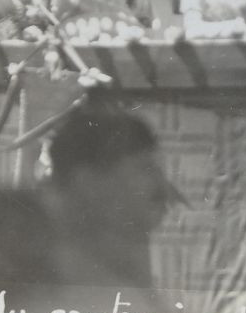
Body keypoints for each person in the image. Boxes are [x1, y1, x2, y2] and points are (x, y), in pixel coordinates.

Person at [42, 107, 176, 288]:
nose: (163, 186)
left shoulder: (124, 260)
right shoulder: (50, 277)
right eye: (143, 168)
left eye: (156, 170)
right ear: (88, 182)